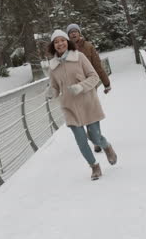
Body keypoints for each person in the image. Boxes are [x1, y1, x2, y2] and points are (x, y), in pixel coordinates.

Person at [46, 29, 117, 180]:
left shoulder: (79, 56)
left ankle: (107, 146)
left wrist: (80, 87)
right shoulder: (52, 65)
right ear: (53, 45)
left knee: (94, 137)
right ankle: (94, 167)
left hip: (87, 102)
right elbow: (54, 86)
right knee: (81, 140)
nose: (60, 44)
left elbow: (94, 77)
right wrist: (51, 92)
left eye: (62, 40)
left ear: (67, 41)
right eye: (56, 42)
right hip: (69, 107)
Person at [66, 24, 111, 153]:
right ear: (68, 36)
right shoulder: (66, 50)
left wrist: (106, 83)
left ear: (79, 33)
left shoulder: (88, 46)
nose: (73, 34)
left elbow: (98, 66)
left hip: (90, 84)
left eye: (75, 32)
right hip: (74, 87)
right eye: (71, 33)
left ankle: (96, 139)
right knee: (82, 112)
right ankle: (94, 137)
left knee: (91, 111)